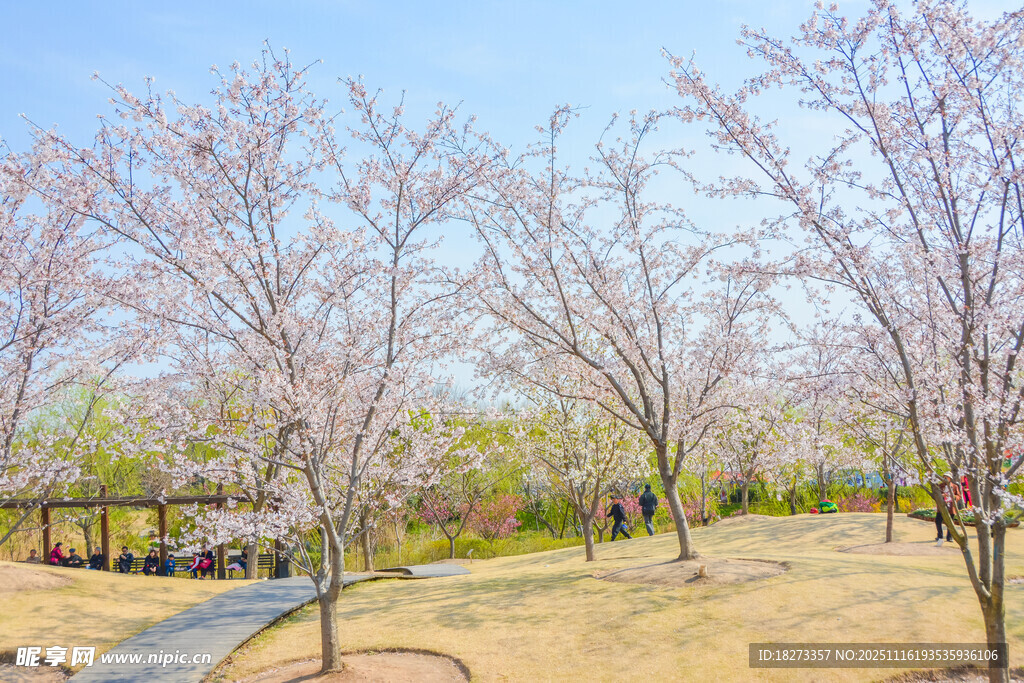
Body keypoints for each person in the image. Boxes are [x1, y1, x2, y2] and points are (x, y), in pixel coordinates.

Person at [935, 474, 959, 546]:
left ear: (950, 478)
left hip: (951, 507)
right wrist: (942, 495)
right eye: (944, 477)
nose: (945, 478)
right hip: (942, 506)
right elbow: (936, 494)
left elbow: (959, 496)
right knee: (938, 521)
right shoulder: (940, 486)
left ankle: (949, 537)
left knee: (950, 522)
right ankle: (940, 536)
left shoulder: (954, 486)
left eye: (947, 477)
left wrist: (954, 496)